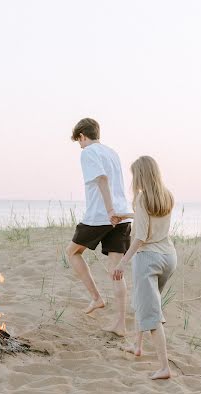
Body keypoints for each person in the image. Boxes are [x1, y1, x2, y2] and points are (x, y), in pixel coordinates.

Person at [111, 156, 177, 379]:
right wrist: (127, 215)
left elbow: (140, 237)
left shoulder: (141, 199)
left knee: (151, 313)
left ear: (140, 175)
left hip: (148, 258)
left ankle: (165, 367)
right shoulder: (166, 196)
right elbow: (149, 219)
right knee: (145, 301)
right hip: (168, 257)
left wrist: (122, 262)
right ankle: (137, 346)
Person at [66, 118, 132, 336]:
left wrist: (110, 210)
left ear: (83, 136)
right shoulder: (112, 153)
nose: (80, 145)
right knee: (116, 272)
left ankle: (96, 298)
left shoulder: (88, 152)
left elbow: (102, 179)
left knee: (72, 252)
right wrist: (116, 211)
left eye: (79, 141)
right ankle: (120, 325)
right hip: (122, 216)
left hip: (101, 215)